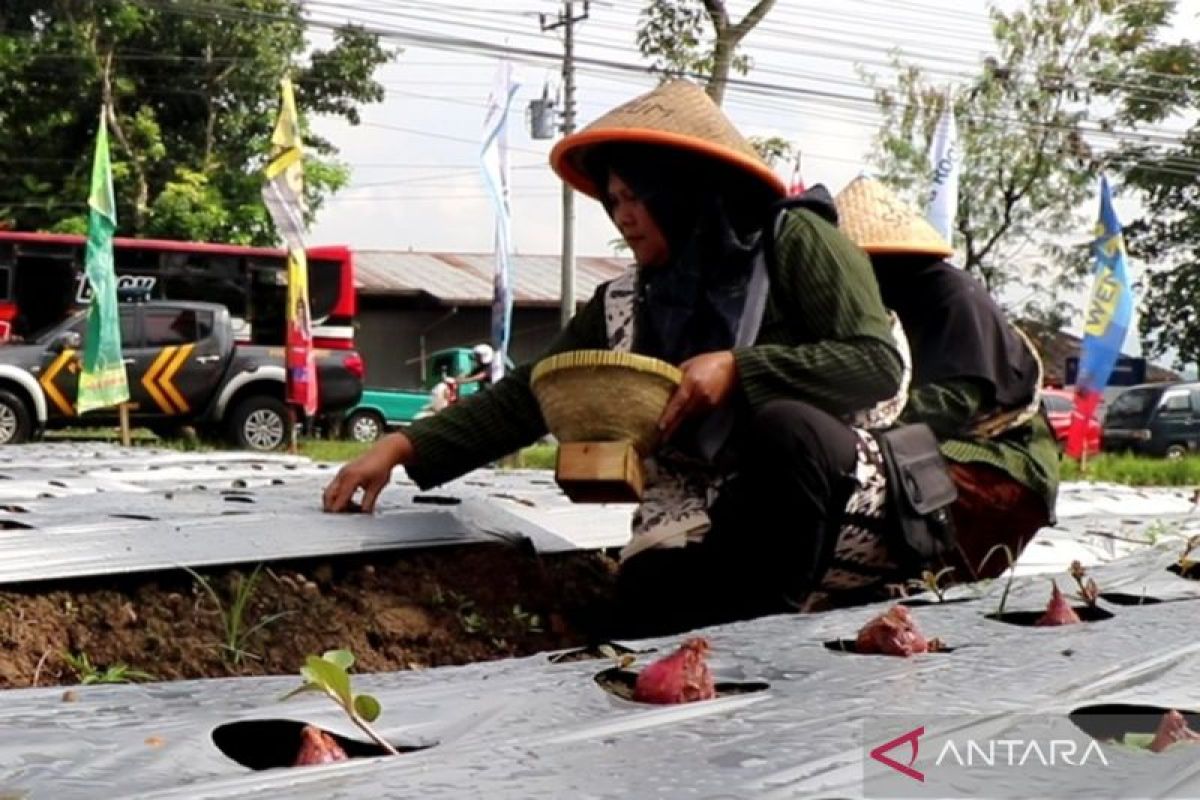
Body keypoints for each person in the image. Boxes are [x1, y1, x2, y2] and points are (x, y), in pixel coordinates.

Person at [323, 80, 908, 634]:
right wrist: (404, 447)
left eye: (638, 198)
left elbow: (873, 365)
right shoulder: (628, 301)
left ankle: (772, 628)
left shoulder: (796, 242)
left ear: (683, 193)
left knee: (787, 430)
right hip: (714, 511)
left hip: (838, 499)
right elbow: (538, 390)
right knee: (641, 605)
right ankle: (723, 622)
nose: (624, 217)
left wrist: (739, 369)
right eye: (614, 200)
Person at [831, 176, 1060, 583]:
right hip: (939, 441)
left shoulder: (951, 299)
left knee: (886, 480)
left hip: (1004, 461)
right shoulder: (888, 303)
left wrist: (858, 425)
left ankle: (920, 583)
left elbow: (957, 400)